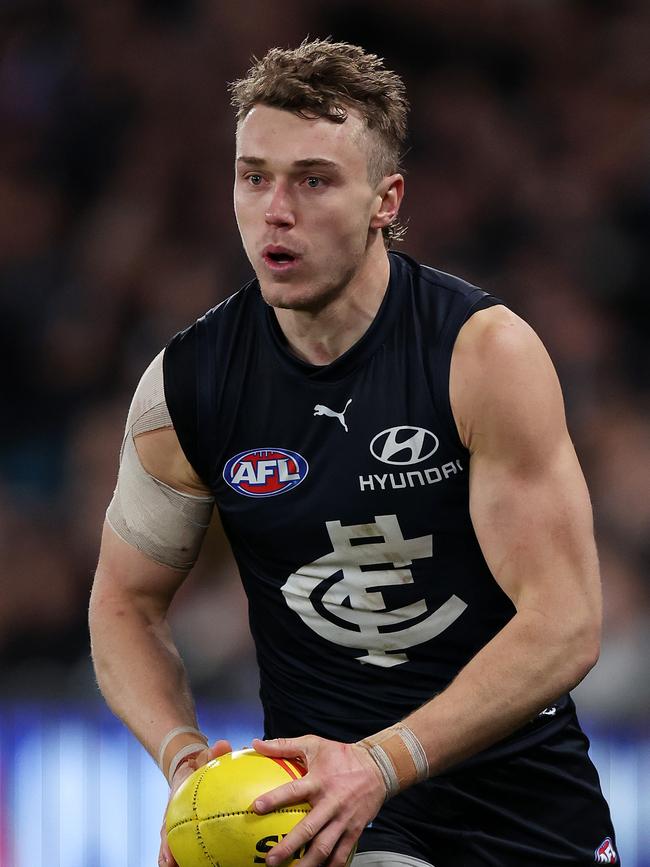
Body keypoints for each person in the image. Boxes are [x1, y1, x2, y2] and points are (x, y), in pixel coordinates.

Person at [89, 39, 619, 867]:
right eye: (253, 175)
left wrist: (382, 761)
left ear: (386, 199)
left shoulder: (482, 356)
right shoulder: (186, 388)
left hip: (519, 796)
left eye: (313, 179)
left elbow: (565, 621)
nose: (275, 208)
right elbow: (123, 605)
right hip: (325, 809)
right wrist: (185, 761)